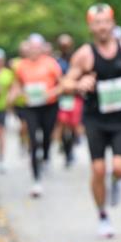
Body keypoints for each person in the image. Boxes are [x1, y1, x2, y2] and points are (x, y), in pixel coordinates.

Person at [63, 4, 121, 238]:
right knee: (98, 170)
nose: (102, 27)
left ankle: (116, 182)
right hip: (95, 119)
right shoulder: (84, 54)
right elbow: (65, 83)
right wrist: (78, 85)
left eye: (105, 22)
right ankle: (102, 215)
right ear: (90, 26)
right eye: (97, 23)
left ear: (112, 23)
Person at [9, 34, 63, 198]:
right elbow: (17, 84)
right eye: (31, 47)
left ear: (41, 49)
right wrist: (12, 96)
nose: (34, 51)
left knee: (47, 136)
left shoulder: (51, 64)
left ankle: (46, 156)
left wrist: (51, 92)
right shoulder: (21, 65)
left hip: (49, 106)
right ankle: (36, 180)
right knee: (33, 140)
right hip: (31, 106)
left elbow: (62, 84)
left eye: (37, 47)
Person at [54, 34, 84, 167]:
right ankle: (65, 148)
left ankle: (72, 146)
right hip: (62, 97)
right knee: (63, 122)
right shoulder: (56, 62)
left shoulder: (77, 59)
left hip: (75, 96)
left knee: (74, 124)